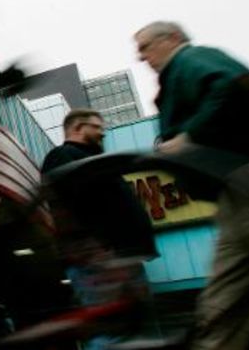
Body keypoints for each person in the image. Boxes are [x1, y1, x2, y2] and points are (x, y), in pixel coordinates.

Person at [135, 21, 249, 349]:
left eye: (145, 45)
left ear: (172, 38)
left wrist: (190, 136)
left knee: (224, 317)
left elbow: (236, 84)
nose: (140, 55)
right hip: (236, 201)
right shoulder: (179, 75)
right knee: (219, 315)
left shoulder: (191, 60)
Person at [40, 109, 157, 350]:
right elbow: (71, 206)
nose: (102, 131)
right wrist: (98, 251)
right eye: (96, 126)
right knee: (110, 330)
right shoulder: (63, 155)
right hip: (100, 260)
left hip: (115, 257)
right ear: (77, 128)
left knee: (129, 328)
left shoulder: (89, 159)